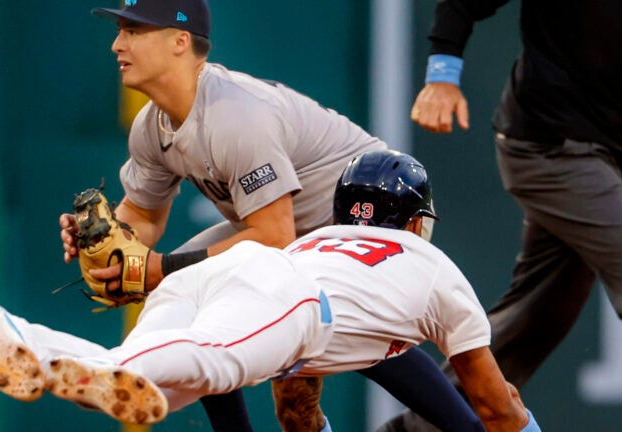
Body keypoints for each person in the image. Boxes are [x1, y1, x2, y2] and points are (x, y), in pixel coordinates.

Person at [58, 1, 481, 431]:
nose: (116, 44)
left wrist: (160, 268)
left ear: (179, 42)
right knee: (210, 311)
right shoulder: (152, 125)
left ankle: (471, 426)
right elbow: (143, 216)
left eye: (133, 31)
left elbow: (274, 237)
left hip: (369, 216)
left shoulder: (235, 116)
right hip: (290, 228)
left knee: (332, 335)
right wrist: (108, 243)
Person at [0, 150, 540, 432]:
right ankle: (40, 345)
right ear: (416, 223)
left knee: (164, 382)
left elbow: (295, 406)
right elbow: (494, 406)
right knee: (206, 361)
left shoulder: (320, 244)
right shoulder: (432, 268)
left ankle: (35, 351)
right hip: (287, 298)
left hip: (225, 275)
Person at [395, 0, 622, 431]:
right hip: (545, 150)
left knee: (534, 321)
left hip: (609, 158)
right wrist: (441, 77)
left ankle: (422, 425)